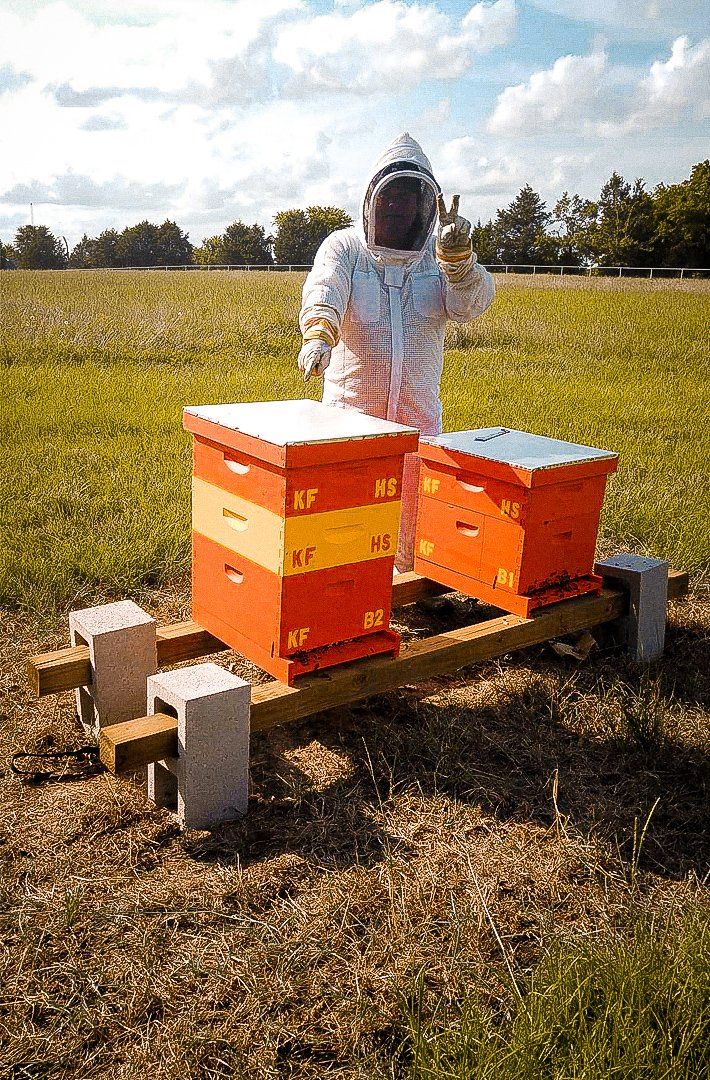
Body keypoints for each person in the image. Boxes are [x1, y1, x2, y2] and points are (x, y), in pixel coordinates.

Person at [297, 132, 495, 572]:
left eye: (410, 200)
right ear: (373, 201)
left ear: (426, 205)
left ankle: (409, 591)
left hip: (417, 417)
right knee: (347, 513)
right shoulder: (345, 247)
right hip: (350, 416)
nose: (401, 208)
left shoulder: (438, 258)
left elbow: (470, 306)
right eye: (393, 200)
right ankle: (347, 586)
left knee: (414, 510)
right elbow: (324, 289)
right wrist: (318, 334)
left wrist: (460, 263)